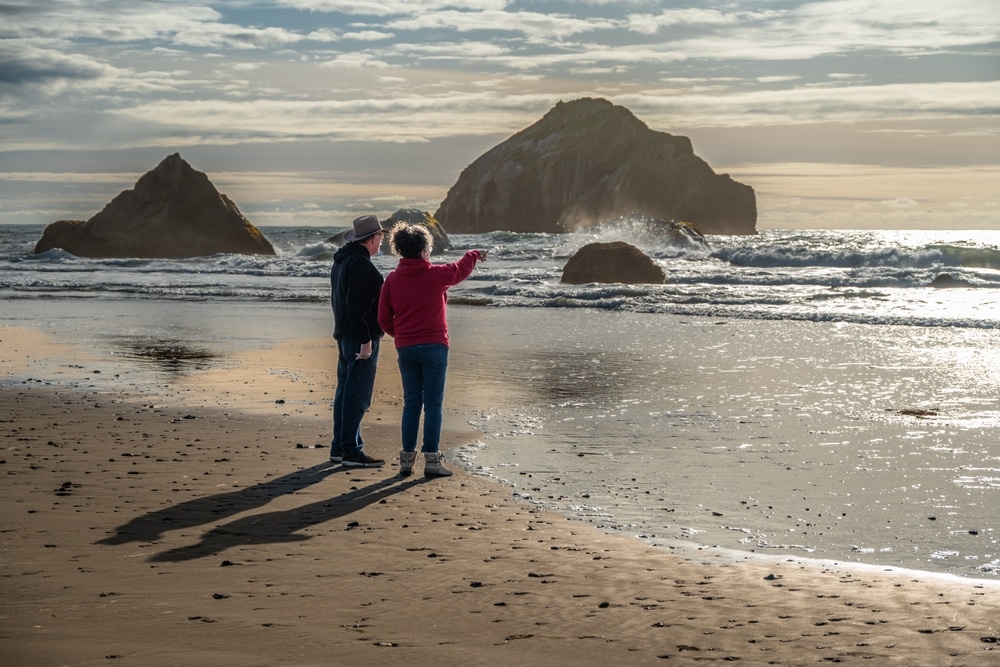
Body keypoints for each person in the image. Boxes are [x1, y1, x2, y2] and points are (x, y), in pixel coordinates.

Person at [377, 222, 486, 477]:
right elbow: (460, 270)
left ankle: (406, 460)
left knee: (411, 403)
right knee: (433, 405)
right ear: (426, 250)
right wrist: (473, 254)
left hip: (406, 347)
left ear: (399, 250)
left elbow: (383, 319)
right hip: (435, 347)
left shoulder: (392, 280)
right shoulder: (436, 275)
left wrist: (402, 334)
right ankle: (431, 460)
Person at [330, 214, 386, 468]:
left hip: (344, 334)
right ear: (372, 238)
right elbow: (356, 309)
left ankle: (340, 448)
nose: (381, 242)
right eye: (381, 237)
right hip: (358, 337)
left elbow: (344, 304)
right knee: (358, 395)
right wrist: (366, 341)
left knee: (345, 392)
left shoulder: (342, 262)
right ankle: (351, 450)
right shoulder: (363, 266)